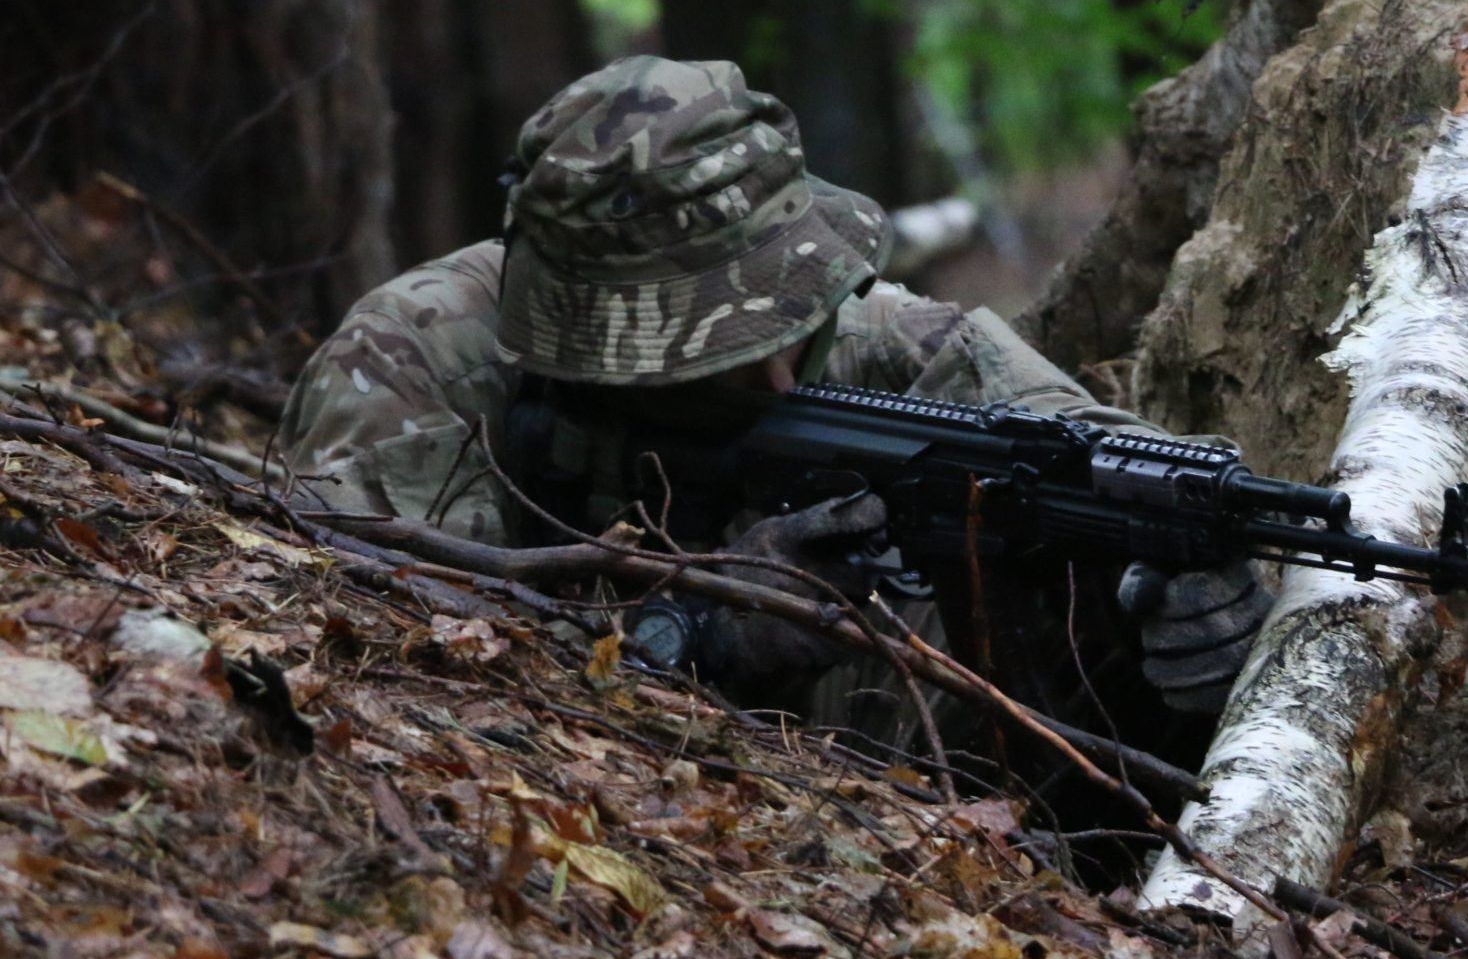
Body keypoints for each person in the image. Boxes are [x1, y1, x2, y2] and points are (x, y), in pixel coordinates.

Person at [279, 57, 1270, 738]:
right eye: (704, 349)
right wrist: (695, 634)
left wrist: (1197, 597)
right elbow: (397, 681)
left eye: (787, 320)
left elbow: (1100, 453)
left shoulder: (898, 349)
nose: (778, 379)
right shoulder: (416, 362)